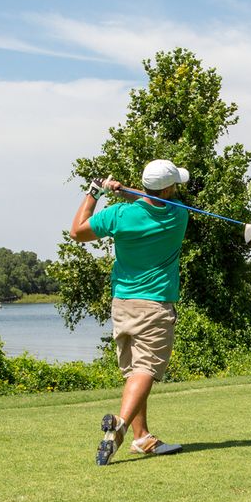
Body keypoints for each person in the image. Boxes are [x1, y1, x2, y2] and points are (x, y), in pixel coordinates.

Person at [70, 159, 190, 466]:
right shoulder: (179, 216)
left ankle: (142, 437)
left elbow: (78, 232)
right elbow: (155, 201)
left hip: (122, 303)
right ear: (168, 188)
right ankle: (120, 429)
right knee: (145, 371)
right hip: (155, 304)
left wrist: (95, 193)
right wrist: (126, 191)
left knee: (134, 371)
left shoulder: (120, 215)